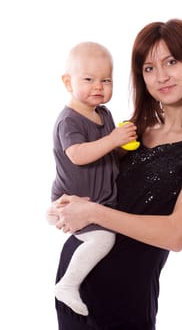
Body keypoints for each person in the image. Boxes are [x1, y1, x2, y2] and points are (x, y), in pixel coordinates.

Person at [48, 19, 182, 330]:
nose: (161, 76)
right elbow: (88, 175)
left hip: (126, 299)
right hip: (75, 287)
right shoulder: (134, 128)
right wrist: (61, 209)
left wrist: (92, 211)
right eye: (148, 68)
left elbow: (176, 235)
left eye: (171, 61)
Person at [50, 41, 137, 316]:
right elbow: (77, 155)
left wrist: (122, 144)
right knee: (103, 241)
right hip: (75, 200)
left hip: (97, 201)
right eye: (88, 79)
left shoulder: (104, 114)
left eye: (106, 80)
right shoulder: (70, 120)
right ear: (67, 82)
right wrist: (112, 140)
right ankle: (67, 284)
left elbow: (107, 154)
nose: (98, 86)